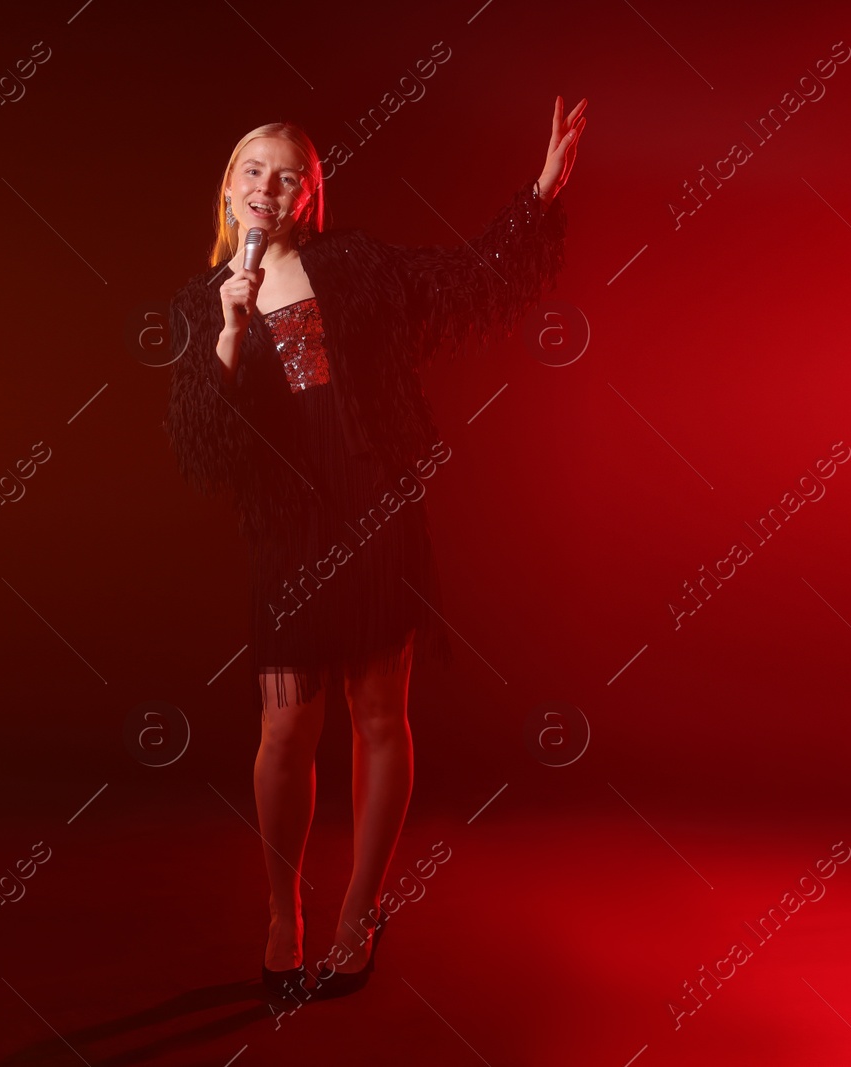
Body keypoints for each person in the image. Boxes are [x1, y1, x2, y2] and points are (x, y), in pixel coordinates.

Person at [163, 97, 586, 1001]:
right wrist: (233, 333)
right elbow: (206, 444)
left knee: (379, 717)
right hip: (290, 527)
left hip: (375, 508)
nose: (268, 187)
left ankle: (360, 908)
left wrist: (541, 194)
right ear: (229, 190)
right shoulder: (205, 302)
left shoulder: (353, 265)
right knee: (285, 730)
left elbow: (464, 282)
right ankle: (285, 910)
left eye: (289, 175)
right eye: (254, 171)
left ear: (308, 195)